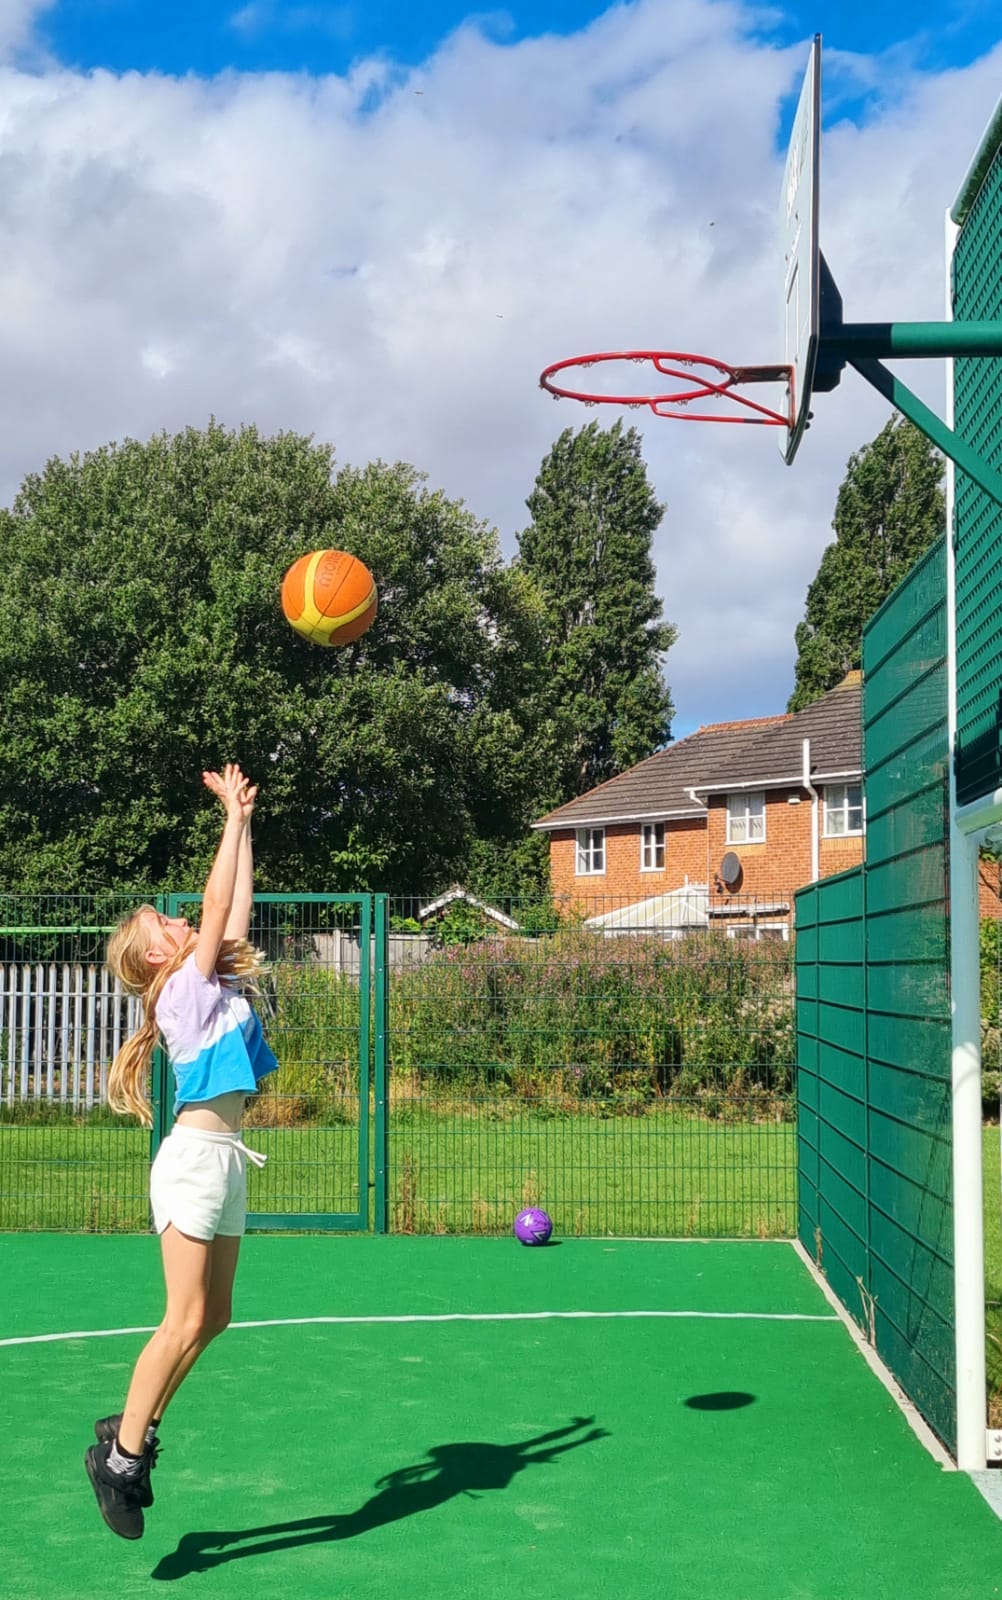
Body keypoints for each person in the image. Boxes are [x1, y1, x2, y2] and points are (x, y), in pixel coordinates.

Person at [85, 762, 277, 1540]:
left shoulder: (212, 981)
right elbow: (214, 901)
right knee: (182, 1317)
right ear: (155, 958)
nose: (178, 922)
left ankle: (132, 1424)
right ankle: (121, 1460)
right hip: (194, 1161)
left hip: (226, 1158)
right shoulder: (178, 993)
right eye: (162, 925)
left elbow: (237, 907)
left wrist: (247, 822)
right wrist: (226, 819)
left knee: (217, 1316)